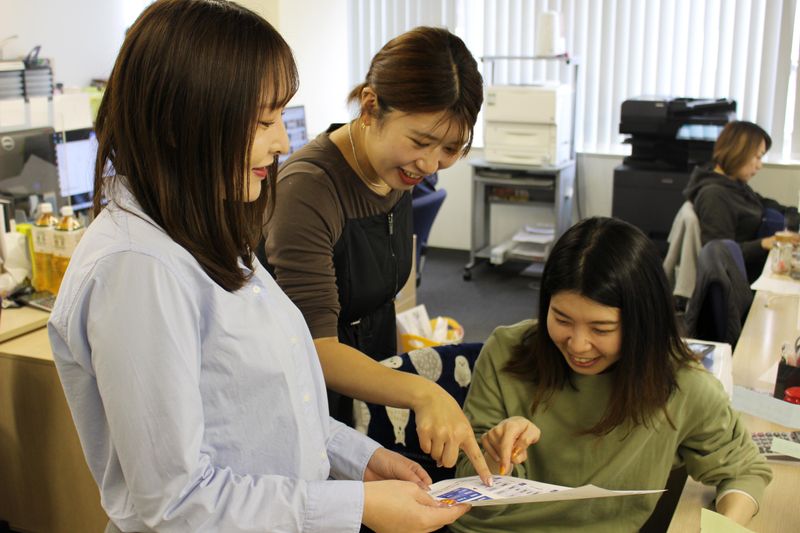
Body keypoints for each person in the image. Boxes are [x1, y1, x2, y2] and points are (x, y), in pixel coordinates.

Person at [47, 2, 472, 531]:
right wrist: (358, 506)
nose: (283, 142)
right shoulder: (138, 269)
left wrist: (362, 460)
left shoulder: (205, 230)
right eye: (264, 122)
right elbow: (177, 503)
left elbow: (273, 409)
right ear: (184, 122)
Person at [263, 27, 491, 482]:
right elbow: (314, 348)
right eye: (420, 142)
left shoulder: (396, 170)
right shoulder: (309, 188)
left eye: (450, 149)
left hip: (374, 378)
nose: (430, 165)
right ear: (370, 107)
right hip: (309, 396)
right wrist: (423, 393)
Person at [452, 217, 772, 532]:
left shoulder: (682, 385)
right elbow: (467, 488)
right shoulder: (506, 350)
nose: (578, 345)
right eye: (561, 319)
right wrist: (495, 457)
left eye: (601, 329)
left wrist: (724, 526)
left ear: (643, 322)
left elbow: (743, 470)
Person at [684, 120, 799, 282]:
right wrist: (764, 243)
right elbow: (720, 254)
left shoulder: (733, 184)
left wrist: (793, 215)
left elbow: (763, 203)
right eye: (757, 157)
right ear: (738, 151)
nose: (759, 166)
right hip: (742, 282)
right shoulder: (715, 196)